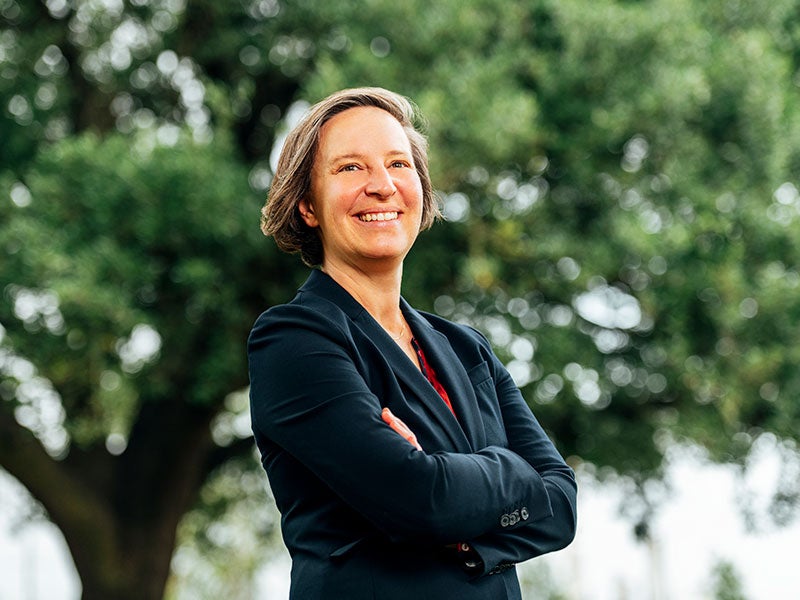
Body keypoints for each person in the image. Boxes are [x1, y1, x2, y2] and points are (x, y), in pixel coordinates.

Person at [248, 87, 577, 600]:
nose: (381, 186)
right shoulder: (293, 341)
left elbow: (560, 505)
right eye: (351, 168)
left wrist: (466, 534)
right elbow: (422, 498)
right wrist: (512, 472)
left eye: (398, 163)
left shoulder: (467, 349)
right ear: (308, 205)